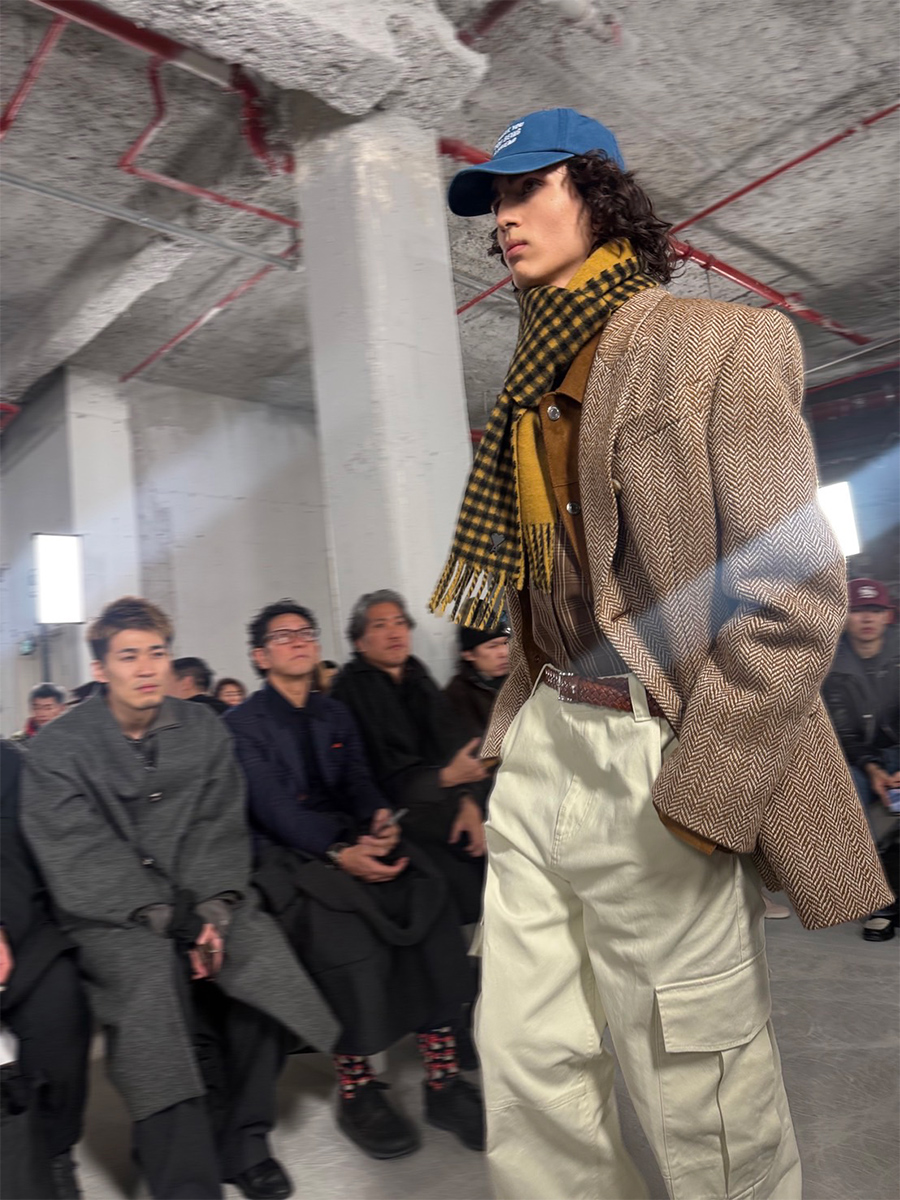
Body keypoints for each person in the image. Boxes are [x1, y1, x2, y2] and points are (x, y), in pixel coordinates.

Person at [430, 107, 891, 1200]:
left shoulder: (719, 344)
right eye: (495, 201)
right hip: (543, 744)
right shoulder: (526, 383)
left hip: (658, 750)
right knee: (529, 1066)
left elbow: (793, 589)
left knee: (701, 1093)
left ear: (598, 192)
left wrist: (704, 792)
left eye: (527, 188)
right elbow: (546, 592)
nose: (504, 218)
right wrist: (518, 735)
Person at [20, 596, 338, 1200]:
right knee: (148, 995)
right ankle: (182, 1175)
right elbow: (77, 851)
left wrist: (209, 913)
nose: (146, 668)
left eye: (157, 652)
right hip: (111, 915)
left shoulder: (202, 728)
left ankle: (245, 1142)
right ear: (100, 668)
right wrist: (168, 917)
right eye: (128, 656)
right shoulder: (59, 748)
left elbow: (219, 826)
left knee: (264, 962)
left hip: (208, 897)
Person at [225, 601, 484, 1160]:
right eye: (283, 636)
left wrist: (377, 819)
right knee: (343, 934)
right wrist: (340, 851)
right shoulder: (242, 725)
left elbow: (360, 782)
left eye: (305, 632)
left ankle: (443, 1080)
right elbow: (274, 809)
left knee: (426, 895)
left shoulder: (333, 714)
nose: (299, 641)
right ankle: (357, 1088)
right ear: (260, 656)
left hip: (349, 839)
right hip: (289, 857)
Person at [332, 590, 487, 926]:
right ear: (360, 642)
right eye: (380, 625)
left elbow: (455, 745)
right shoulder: (351, 689)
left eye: (400, 623)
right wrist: (447, 779)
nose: (394, 632)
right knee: (459, 878)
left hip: (444, 801)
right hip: (392, 818)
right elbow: (382, 774)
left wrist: (468, 803)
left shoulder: (416, 674)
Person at [1, 740, 91, 1200]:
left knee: (60, 1008)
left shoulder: (7, 764)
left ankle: (56, 1151)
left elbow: (12, 857)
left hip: (17, 926)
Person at [823, 578, 899, 941]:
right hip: (858, 758)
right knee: (843, 790)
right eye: (857, 610)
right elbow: (843, 730)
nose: (866, 618)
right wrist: (874, 770)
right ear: (844, 617)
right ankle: (879, 899)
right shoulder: (830, 664)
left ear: (887, 616)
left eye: (874, 610)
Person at [444, 625, 510, 743]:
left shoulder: (523, 679)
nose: (504, 652)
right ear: (469, 654)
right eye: (492, 646)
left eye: (506, 643)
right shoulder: (457, 695)